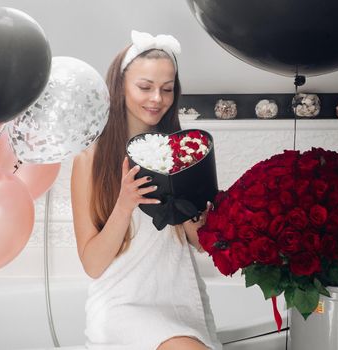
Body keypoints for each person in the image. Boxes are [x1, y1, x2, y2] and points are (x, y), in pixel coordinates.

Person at [71, 30, 220, 350]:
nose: (157, 99)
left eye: (167, 90)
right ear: (120, 85)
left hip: (180, 299)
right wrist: (125, 204)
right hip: (122, 304)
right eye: (145, 87)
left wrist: (195, 215)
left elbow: (201, 245)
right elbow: (93, 264)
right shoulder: (91, 157)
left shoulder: (180, 151)